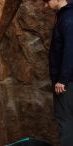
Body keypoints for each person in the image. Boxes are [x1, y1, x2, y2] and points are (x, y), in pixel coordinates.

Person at [42, 0, 73, 145]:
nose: (45, 6)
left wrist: (62, 79)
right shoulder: (66, 15)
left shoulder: (68, 18)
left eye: (47, 1)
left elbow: (70, 50)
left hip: (68, 83)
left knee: (65, 122)